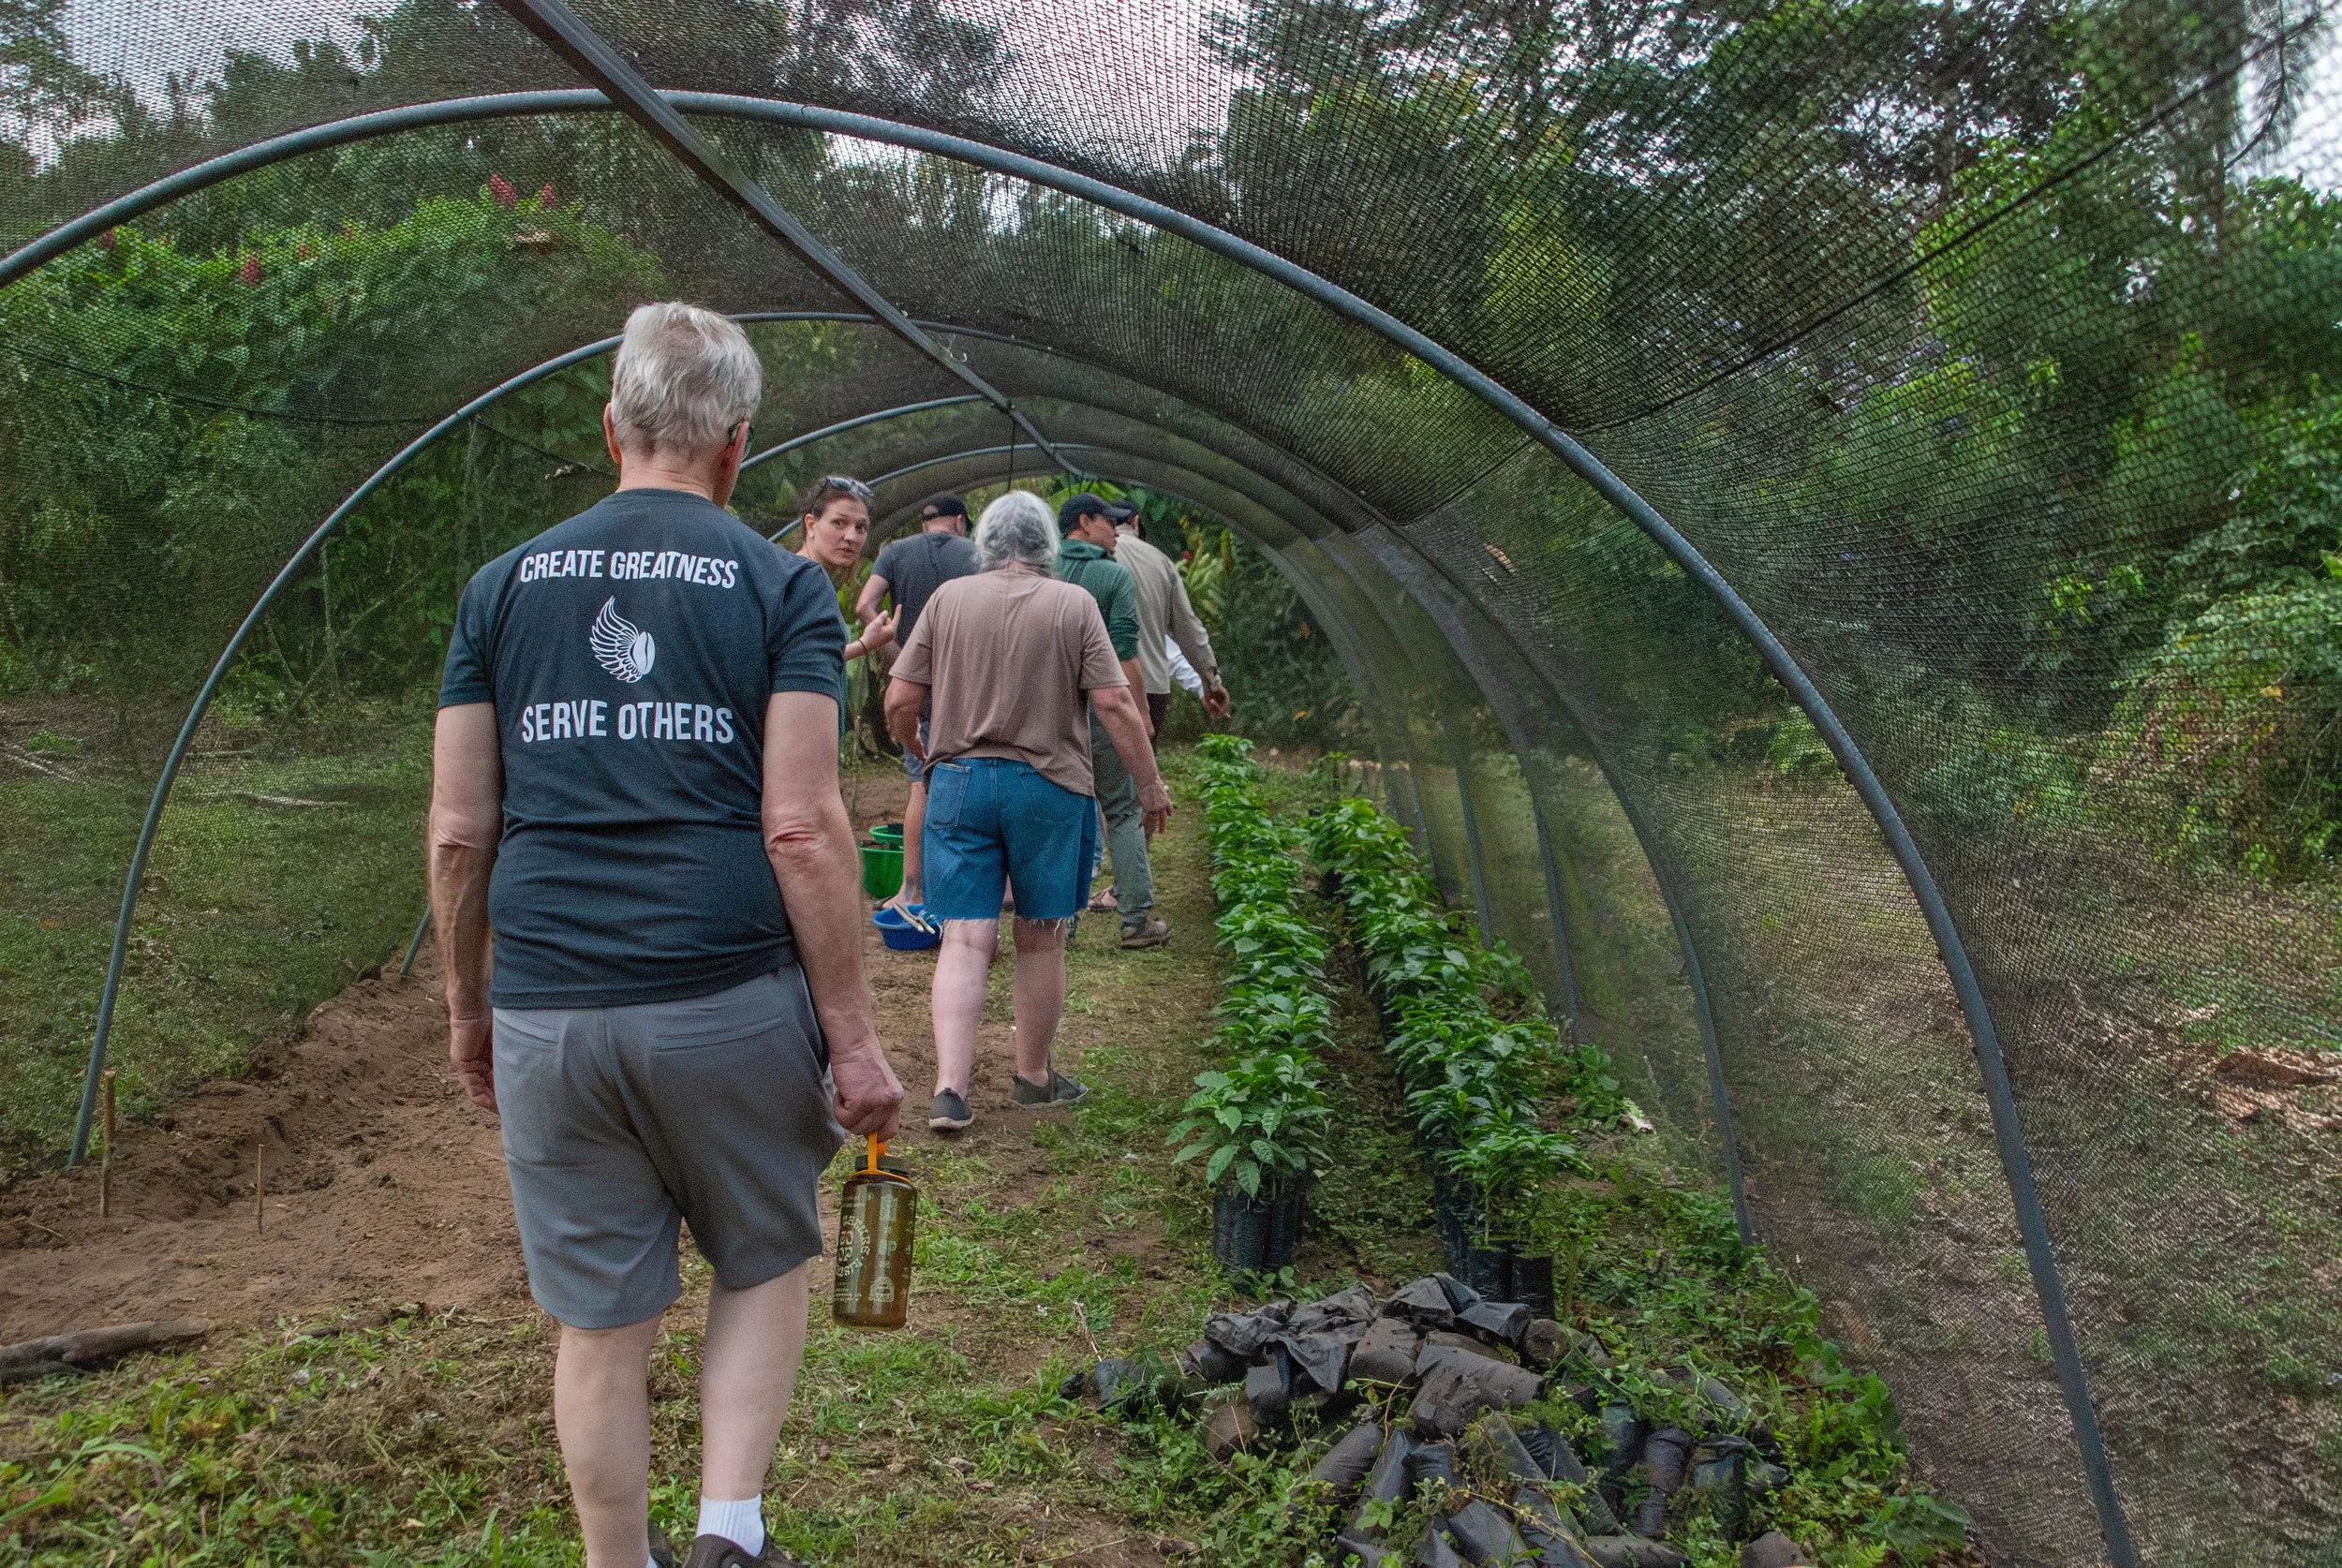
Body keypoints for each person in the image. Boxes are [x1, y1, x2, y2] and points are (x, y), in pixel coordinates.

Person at [428, 302, 905, 1568]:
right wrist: (852, 1039)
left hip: (547, 1002)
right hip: (723, 999)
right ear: (738, 447)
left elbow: (461, 829)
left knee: (599, 1318)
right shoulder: (782, 583)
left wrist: (470, 1005)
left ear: (612, 429)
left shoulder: (501, 585)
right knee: (760, 1250)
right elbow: (801, 823)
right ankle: (730, 1532)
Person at [883, 490, 1170, 1133]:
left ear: (983, 543)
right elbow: (1117, 706)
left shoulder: (949, 599)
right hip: (1048, 788)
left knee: (963, 934)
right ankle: (1034, 1079)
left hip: (958, 781)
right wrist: (1149, 785)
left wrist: (916, 746)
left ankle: (950, 1091)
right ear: (1048, 544)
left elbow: (901, 696)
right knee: (1041, 935)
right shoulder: (1073, 603)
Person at [1054, 491, 1169, 950]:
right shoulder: (1112, 576)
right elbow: (1125, 656)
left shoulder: (1041, 571)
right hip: (1101, 714)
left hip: (1048, 716)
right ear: (1085, 522)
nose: (1118, 531)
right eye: (1111, 522)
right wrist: (1139, 716)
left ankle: (1061, 921)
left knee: (1063, 811)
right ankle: (1135, 921)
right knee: (1121, 809)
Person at [854, 494, 977, 910]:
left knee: (918, 787)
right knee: (977, 779)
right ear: (959, 521)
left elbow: (864, 605)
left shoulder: (895, 552)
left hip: (914, 690)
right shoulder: (977, 555)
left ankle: (910, 891)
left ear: (926, 522)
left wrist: (898, 657)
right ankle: (992, 886)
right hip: (969, 690)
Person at [1113, 510, 1230, 738]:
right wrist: (1210, 684)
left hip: (1101, 688)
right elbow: (1187, 632)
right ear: (1136, 521)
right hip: (1151, 688)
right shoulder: (1160, 561)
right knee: (1143, 767)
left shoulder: (1086, 560)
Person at [790, 474, 895, 668]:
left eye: (860, 527)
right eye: (839, 523)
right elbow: (805, 660)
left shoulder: (807, 575)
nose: (851, 537)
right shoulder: (803, 579)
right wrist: (864, 644)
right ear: (811, 525)